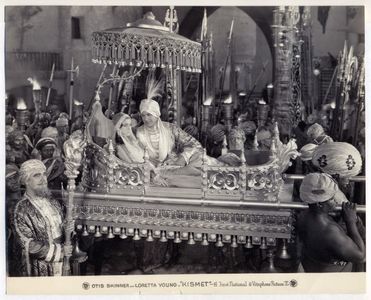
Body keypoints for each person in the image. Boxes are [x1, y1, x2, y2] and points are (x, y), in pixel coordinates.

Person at [13, 160, 73, 276]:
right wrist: (60, 251)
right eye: (36, 175)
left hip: (63, 262)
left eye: (44, 174)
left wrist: (67, 228)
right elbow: (27, 243)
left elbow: (60, 230)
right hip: (40, 266)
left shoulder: (53, 201)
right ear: (26, 181)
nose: (43, 179)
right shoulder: (20, 209)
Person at [297, 173, 365, 272]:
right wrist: (351, 221)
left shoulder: (304, 214)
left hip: (311, 266)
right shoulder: (330, 231)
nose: (336, 201)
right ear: (319, 204)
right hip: (330, 277)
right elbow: (361, 256)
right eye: (332, 198)